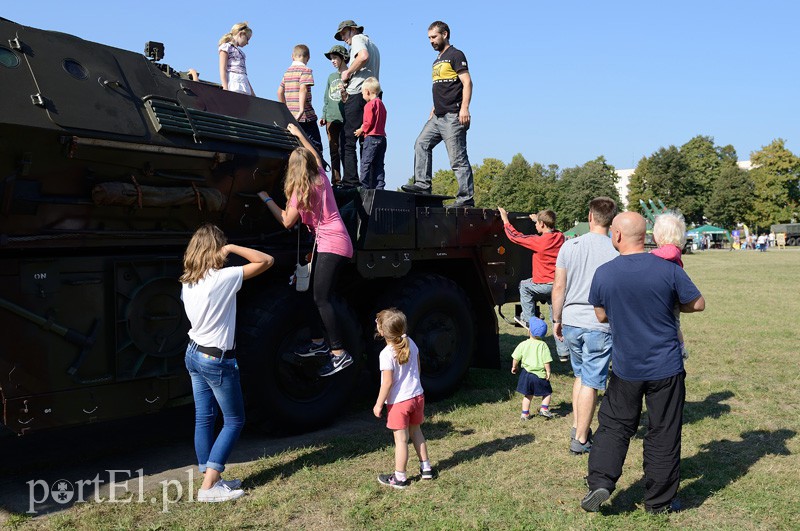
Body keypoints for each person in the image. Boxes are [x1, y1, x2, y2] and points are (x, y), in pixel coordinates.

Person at [580, 212, 705, 514]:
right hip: (666, 367)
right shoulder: (667, 269)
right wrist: (668, 305)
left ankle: (601, 481)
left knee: (613, 427)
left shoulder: (605, 273)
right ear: (645, 235)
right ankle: (659, 503)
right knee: (663, 432)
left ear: (618, 236)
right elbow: (697, 303)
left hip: (626, 368)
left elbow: (600, 315)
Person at [180, 224, 274, 502]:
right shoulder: (223, 278)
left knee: (204, 417)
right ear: (216, 249)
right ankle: (209, 487)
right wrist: (233, 248)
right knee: (234, 420)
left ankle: (213, 476)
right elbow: (266, 261)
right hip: (216, 359)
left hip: (193, 353)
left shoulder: (187, 281)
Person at [258, 124, 354, 377]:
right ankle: (317, 343)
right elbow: (315, 155)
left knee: (321, 298)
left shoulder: (300, 191)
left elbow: (287, 221)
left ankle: (338, 353)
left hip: (332, 243)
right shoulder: (320, 176)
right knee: (309, 294)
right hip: (334, 241)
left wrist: (266, 198)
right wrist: (299, 135)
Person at [551, 197, 618, 455]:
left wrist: (557, 319)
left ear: (590, 216)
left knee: (580, 376)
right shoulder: (615, 249)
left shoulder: (570, 246)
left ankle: (577, 426)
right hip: (599, 324)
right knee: (590, 380)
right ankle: (580, 438)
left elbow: (559, 287)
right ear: (611, 220)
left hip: (571, 321)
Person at [402, 21, 474, 207]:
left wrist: (464, 108)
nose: (431, 41)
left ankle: (466, 199)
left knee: (457, 159)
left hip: (453, 115)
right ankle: (422, 185)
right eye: (429, 38)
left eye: (434, 37)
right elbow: (442, 86)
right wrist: (433, 108)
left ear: (445, 34)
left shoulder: (456, 55)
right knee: (421, 144)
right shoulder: (436, 60)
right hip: (437, 116)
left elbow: (467, 82)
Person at [373, 308, 435, 488]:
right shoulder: (411, 343)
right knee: (417, 432)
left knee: (401, 440)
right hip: (417, 395)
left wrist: (378, 404)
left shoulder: (386, 354)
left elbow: (387, 383)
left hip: (400, 402)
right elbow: (418, 368)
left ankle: (399, 477)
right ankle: (426, 468)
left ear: (382, 331)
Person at [498, 207, 566, 361]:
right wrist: (538, 220)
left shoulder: (539, 242)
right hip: (557, 287)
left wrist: (505, 220)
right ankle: (563, 353)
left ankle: (528, 319)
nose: (534, 226)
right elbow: (554, 230)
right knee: (556, 319)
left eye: (537, 224)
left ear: (542, 224)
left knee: (524, 285)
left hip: (542, 284)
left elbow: (515, 237)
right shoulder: (560, 237)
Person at [334, 20, 381, 188]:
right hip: (373, 94)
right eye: (341, 36)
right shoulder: (373, 44)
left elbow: (363, 56)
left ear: (352, 30)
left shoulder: (358, 39)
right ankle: (369, 182)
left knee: (347, 140)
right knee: (367, 139)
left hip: (359, 93)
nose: (343, 38)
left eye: (344, 34)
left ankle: (350, 181)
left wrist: (348, 72)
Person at [651, 211, 689, 359]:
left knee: (672, 323)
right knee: (675, 324)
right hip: (671, 294)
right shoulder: (676, 250)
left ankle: (680, 348)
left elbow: (666, 256)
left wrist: (648, 256)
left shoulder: (667, 251)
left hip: (665, 294)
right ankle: (681, 347)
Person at [278, 44, 323, 155]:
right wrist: (301, 110)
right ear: (308, 57)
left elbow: (279, 92)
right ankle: (318, 170)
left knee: (296, 148)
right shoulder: (306, 70)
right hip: (306, 117)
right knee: (315, 147)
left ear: (292, 56)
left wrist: (285, 109)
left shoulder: (287, 72)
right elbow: (303, 89)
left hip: (291, 116)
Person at [511, 316, 554, 420]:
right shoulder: (543, 345)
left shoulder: (523, 344)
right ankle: (544, 408)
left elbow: (516, 357)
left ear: (529, 331)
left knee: (528, 395)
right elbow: (546, 360)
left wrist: (514, 367)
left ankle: (525, 414)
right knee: (547, 393)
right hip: (539, 375)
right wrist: (548, 371)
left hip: (526, 375)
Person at [320, 45, 349, 184]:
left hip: (345, 118)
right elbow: (326, 97)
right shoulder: (331, 77)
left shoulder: (350, 74)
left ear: (343, 58)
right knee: (333, 150)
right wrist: (324, 115)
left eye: (335, 58)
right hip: (331, 117)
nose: (332, 61)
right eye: (331, 59)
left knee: (345, 149)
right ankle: (336, 180)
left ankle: (348, 179)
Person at [353, 77, 387, 189]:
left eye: (362, 92)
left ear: (367, 91)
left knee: (366, 163)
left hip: (371, 138)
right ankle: (380, 187)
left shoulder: (369, 105)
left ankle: (364, 186)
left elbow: (368, 122)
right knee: (379, 164)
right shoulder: (381, 104)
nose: (362, 95)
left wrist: (361, 130)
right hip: (382, 138)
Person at [218, 22, 255, 95]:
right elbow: (223, 68)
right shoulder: (226, 47)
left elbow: (243, 73)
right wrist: (225, 87)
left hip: (244, 83)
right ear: (241, 34)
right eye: (247, 39)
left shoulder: (242, 53)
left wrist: (252, 92)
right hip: (234, 81)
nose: (247, 43)